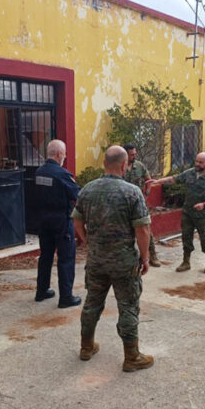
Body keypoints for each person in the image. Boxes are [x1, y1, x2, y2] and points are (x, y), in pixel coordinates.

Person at [72, 145, 154, 372]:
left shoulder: (87, 189)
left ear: (104, 164)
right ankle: (132, 357)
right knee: (128, 306)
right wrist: (145, 258)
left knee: (92, 302)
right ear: (124, 165)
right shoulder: (132, 192)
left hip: (96, 260)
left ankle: (86, 347)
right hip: (123, 261)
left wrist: (88, 241)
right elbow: (143, 229)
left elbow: (77, 220)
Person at [149, 152, 205, 273]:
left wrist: (204, 204)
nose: (197, 164)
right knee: (186, 237)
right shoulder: (190, 173)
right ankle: (186, 262)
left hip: (203, 215)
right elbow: (174, 179)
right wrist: (158, 181)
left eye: (201, 162)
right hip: (188, 213)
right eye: (196, 161)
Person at [34, 139, 82, 308]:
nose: (65, 157)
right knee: (66, 258)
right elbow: (78, 195)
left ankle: (41, 291)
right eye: (65, 154)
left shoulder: (39, 172)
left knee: (45, 256)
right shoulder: (62, 174)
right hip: (61, 221)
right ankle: (66, 297)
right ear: (60, 154)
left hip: (43, 220)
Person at [122, 144, 160, 267]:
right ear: (125, 154)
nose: (134, 156)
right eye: (131, 154)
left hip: (138, 204)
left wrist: (146, 194)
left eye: (135, 154)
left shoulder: (139, 166)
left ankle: (152, 255)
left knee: (145, 228)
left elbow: (148, 180)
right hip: (123, 205)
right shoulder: (119, 166)